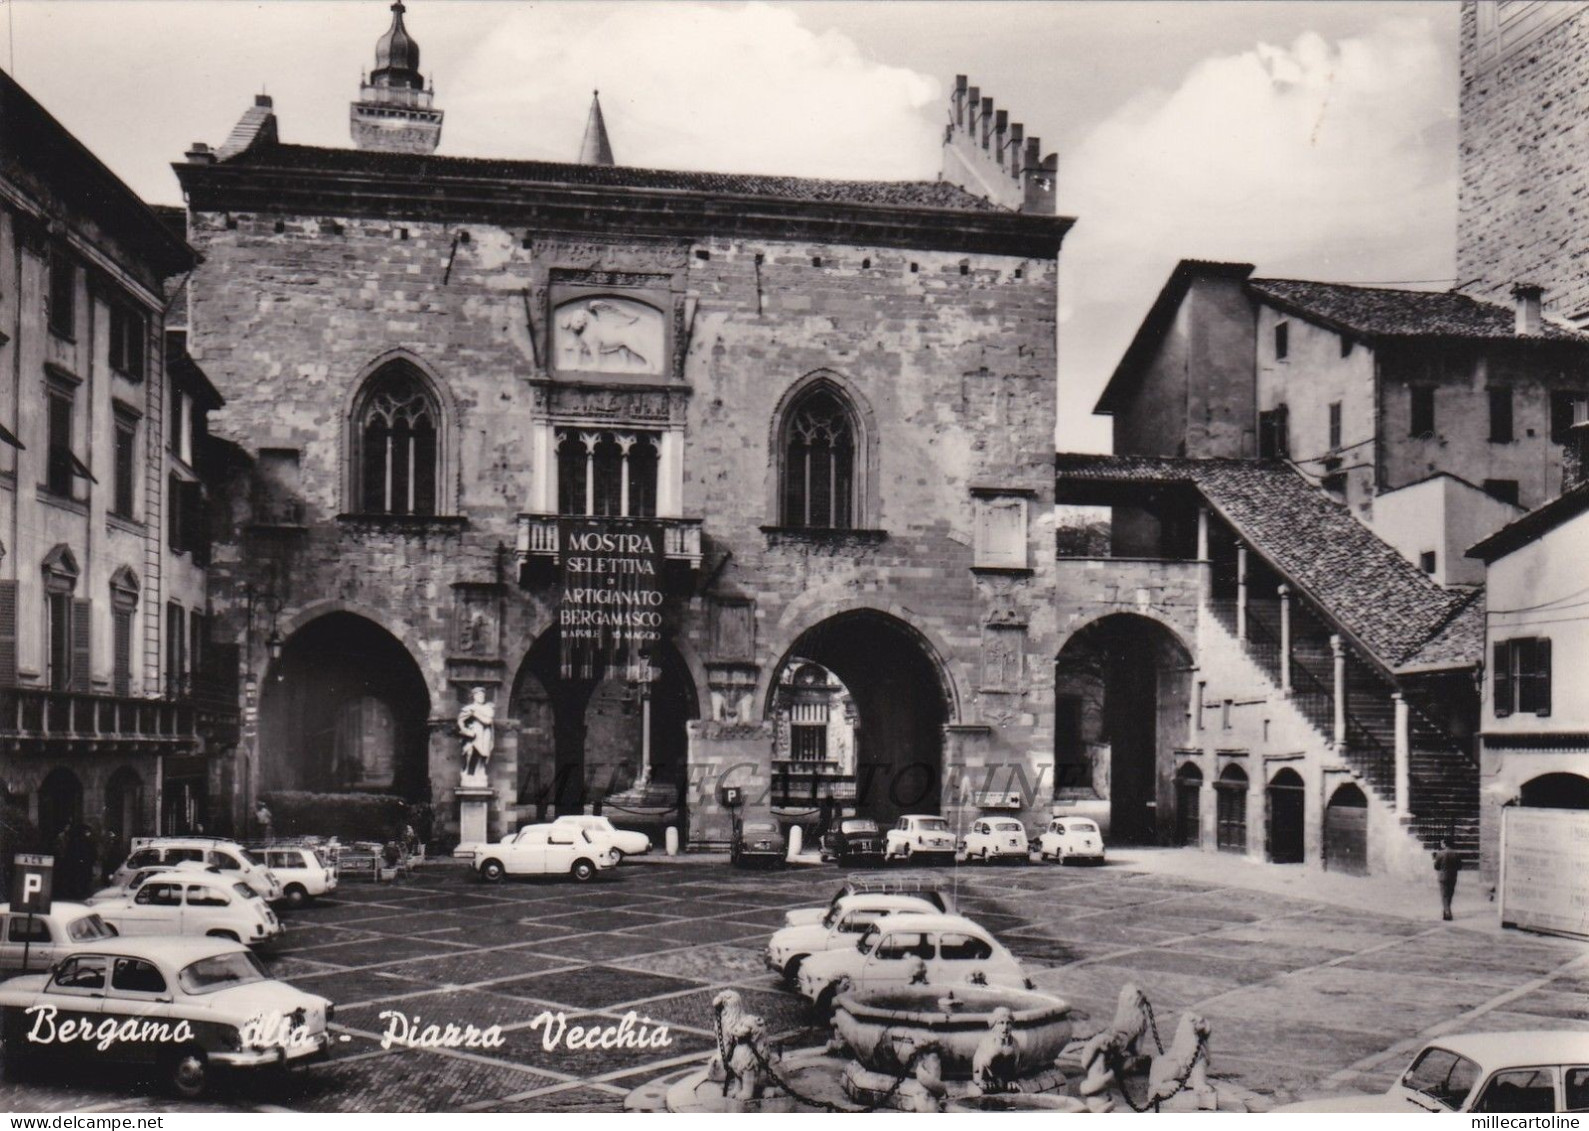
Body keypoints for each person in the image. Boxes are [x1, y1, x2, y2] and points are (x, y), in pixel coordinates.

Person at [457, 686, 495, 779]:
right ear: (474, 696)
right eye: (479, 695)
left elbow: (488, 721)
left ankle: (480, 771)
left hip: (485, 733)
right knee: (470, 751)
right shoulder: (468, 708)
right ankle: (467, 772)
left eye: (483, 696)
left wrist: (475, 714)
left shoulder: (488, 708)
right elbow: (460, 720)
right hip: (473, 733)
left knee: (484, 753)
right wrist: (465, 730)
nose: (482, 697)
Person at [1433, 837, 1462, 921]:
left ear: (1445, 844)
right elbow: (1460, 866)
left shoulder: (1440, 854)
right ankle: (1446, 912)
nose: (1441, 844)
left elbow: (1436, 866)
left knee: (1444, 895)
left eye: (1442, 843)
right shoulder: (1456, 853)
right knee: (1450, 895)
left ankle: (1447, 912)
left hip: (1443, 877)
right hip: (1453, 876)